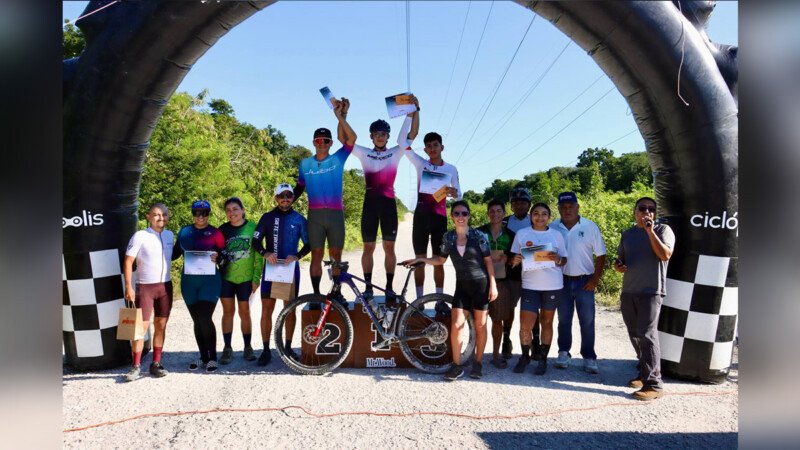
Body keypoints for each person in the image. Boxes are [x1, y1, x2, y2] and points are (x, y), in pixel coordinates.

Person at [402, 201, 498, 380]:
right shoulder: (448, 237)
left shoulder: (479, 236)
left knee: (480, 325)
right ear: (452, 216)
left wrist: (493, 285)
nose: (460, 217)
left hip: (481, 285)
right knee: (456, 325)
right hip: (462, 285)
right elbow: (441, 260)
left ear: (469, 215)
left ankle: (478, 363)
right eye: (456, 214)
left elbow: (488, 261)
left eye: (464, 213)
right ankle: (456, 365)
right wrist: (420, 260)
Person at [339, 96, 419, 300]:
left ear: (388, 136)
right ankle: (367, 287)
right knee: (368, 247)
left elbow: (412, 133)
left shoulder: (396, 152)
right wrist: (342, 116)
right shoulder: (364, 153)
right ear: (371, 136)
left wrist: (414, 110)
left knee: (389, 247)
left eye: (384, 134)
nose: (380, 137)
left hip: (388, 204)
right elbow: (344, 139)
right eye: (377, 134)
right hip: (370, 204)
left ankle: (390, 287)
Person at [613, 197, 675, 401]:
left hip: (652, 291)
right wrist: (619, 265)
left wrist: (650, 232)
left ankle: (654, 384)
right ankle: (643, 372)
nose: (647, 212)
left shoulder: (663, 231)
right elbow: (620, 261)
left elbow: (665, 255)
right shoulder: (628, 234)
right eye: (642, 208)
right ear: (635, 212)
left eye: (651, 209)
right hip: (629, 290)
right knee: (635, 334)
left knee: (648, 335)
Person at [293, 100, 356, 299]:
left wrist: (340, 117)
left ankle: (335, 293)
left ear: (331, 143)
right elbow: (300, 186)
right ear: (313, 142)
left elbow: (352, 138)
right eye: (318, 140)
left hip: (336, 214)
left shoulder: (338, 158)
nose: (322, 143)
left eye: (326, 141)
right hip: (316, 215)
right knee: (317, 255)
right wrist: (285, 203)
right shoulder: (305, 164)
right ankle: (316, 295)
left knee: (335, 256)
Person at [252, 183, 311, 366]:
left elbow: (309, 244)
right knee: (266, 310)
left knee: (290, 310)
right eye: (281, 195)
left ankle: (287, 347)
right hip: (271, 269)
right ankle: (266, 349)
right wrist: (265, 253)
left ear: (293, 198)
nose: (285, 199)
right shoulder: (267, 217)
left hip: (289, 269)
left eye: (289, 195)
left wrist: (298, 255)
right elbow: (255, 240)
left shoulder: (300, 219)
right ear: (275, 198)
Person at [550, 192, 606, 374]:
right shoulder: (552, 228)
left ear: (577, 207)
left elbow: (601, 255)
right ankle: (564, 352)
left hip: (585, 281)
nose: (567, 210)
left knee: (587, 321)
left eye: (571, 207)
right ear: (558, 208)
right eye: (563, 207)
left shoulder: (590, 227)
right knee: (564, 320)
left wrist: (595, 279)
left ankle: (589, 356)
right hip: (561, 281)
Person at [510, 202, 568, 375]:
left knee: (547, 323)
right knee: (525, 325)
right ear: (530, 216)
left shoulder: (557, 235)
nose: (540, 217)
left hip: (553, 286)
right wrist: (515, 261)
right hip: (530, 286)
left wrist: (557, 258)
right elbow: (513, 259)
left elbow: (564, 260)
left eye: (544, 214)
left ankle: (542, 360)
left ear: (549, 217)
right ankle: (525, 356)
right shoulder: (522, 233)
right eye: (536, 213)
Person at [404, 131, 462, 299]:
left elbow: (460, 195)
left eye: (435, 145)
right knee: (419, 261)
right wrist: (413, 113)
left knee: (439, 261)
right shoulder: (420, 164)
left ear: (442, 147)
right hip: (421, 218)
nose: (432, 148)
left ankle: (439, 300)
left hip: (439, 219)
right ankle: (419, 300)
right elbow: (403, 143)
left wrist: (453, 192)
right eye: (428, 146)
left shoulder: (451, 169)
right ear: (425, 149)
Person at [122, 203, 175, 381]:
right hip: (145, 287)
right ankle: (135, 366)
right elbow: (128, 261)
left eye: (164, 215)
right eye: (157, 215)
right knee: (140, 328)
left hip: (165, 287)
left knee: (161, 325)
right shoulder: (140, 236)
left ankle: (156, 363)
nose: (161, 218)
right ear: (148, 217)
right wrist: (128, 286)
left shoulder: (169, 235)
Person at [172, 200, 225, 373]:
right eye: (197, 213)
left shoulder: (215, 233)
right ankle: (203, 357)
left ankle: (213, 358)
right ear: (192, 214)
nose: (200, 216)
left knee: (204, 317)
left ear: (209, 214)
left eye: (204, 213)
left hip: (209, 282)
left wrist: (219, 258)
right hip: (189, 283)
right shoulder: (184, 232)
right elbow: (174, 254)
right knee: (197, 320)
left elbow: (225, 256)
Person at [218, 197, 264, 365]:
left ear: (243, 210)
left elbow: (259, 256)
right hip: (226, 278)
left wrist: (256, 277)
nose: (232, 213)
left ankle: (247, 347)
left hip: (245, 278)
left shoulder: (253, 228)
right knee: (227, 312)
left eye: (235, 209)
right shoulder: (222, 230)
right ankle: (227, 348)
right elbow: (214, 251)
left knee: (244, 312)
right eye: (228, 210)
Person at [477, 199, 517, 369]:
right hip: (480, 281)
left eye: (499, 211)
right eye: (492, 211)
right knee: (478, 321)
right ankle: (475, 354)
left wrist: (509, 258)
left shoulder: (511, 235)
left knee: (498, 320)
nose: (495, 214)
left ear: (504, 212)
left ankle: (495, 354)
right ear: (488, 213)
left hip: (501, 281)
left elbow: (515, 258)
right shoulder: (478, 233)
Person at [503, 187, 540, 360]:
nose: (519, 205)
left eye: (523, 202)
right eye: (516, 202)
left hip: (533, 274)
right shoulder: (503, 223)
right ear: (511, 205)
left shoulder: (536, 223)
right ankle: (506, 339)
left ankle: (536, 343)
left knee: (533, 310)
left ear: (529, 205)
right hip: (510, 273)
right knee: (509, 309)